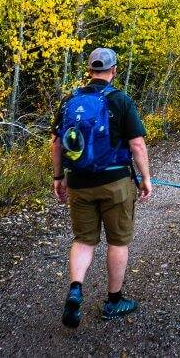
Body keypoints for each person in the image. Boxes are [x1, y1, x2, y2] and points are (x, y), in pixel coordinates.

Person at [51, 47, 153, 328]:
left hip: (80, 183)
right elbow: (137, 144)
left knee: (84, 240)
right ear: (114, 70)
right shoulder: (120, 100)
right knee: (118, 241)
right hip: (115, 183)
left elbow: (58, 143)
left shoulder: (70, 100)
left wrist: (59, 177)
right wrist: (146, 178)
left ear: (89, 70)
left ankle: (75, 288)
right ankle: (114, 301)